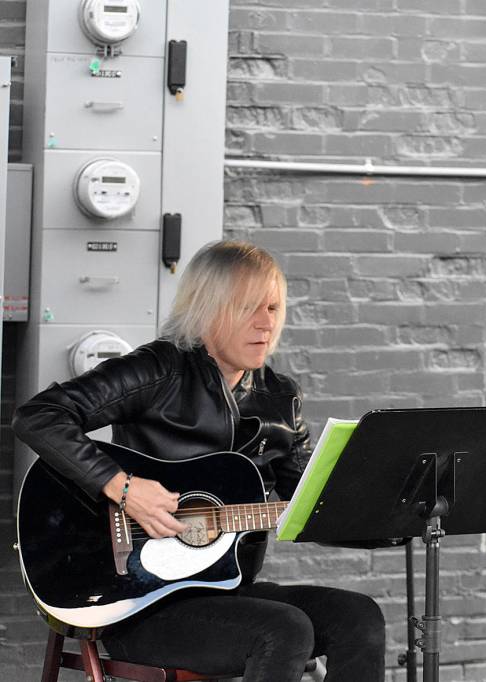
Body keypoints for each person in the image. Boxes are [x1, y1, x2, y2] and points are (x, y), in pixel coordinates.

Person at [13, 241, 385, 682]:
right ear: (208, 308)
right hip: (136, 600)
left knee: (358, 616)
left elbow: (311, 502)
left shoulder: (279, 397)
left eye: (273, 308)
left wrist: (391, 514)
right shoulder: (159, 370)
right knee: (284, 630)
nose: (267, 324)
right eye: (249, 308)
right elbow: (38, 416)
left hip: (229, 590)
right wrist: (124, 488)